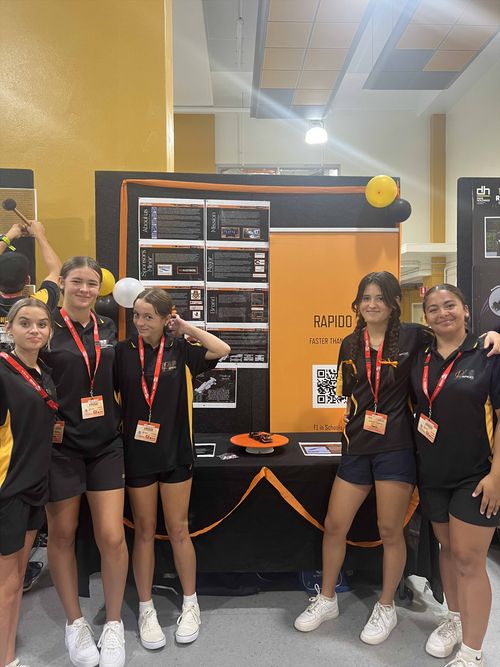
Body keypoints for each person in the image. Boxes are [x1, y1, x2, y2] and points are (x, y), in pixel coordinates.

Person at [293, 271, 500, 645]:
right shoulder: (349, 344)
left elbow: (455, 342)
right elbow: (345, 393)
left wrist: (492, 336)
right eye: (365, 297)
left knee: (390, 530)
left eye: (380, 297)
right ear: (357, 303)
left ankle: (386, 605)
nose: (372, 304)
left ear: (393, 303)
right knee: (335, 524)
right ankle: (327, 598)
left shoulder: (414, 337)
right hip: (356, 447)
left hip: (397, 448)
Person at [114, 288, 230, 650]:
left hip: (176, 452)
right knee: (144, 532)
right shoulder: (122, 352)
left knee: (179, 530)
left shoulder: (180, 349)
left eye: (149, 316)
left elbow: (222, 349)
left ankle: (191, 603)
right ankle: (146, 608)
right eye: (136, 315)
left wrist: (186, 328)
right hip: (137, 456)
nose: (140, 322)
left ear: (167, 318)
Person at [42, 257, 128, 667]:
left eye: (92, 283)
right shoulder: (46, 328)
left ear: (100, 288)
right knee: (62, 534)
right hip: (60, 448)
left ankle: (113, 624)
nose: (84, 290)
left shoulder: (107, 327)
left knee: (111, 536)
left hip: (106, 444)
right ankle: (75, 623)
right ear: (61, 282)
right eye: (76, 281)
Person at [411, 285, 500, 667]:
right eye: (433, 308)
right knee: (447, 551)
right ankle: (454, 619)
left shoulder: (488, 354)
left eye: (450, 305)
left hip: (476, 476)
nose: (442, 313)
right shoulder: (420, 357)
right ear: (425, 317)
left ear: (465, 309)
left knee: (468, 559)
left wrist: (497, 475)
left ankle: (472, 651)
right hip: (433, 474)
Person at [0, 299, 56, 667]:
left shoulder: (43, 372)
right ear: (9, 328)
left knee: (18, 576)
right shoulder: (2, 372)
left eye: (41, 324)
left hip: (36, 485)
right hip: (9, 490)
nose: (34, 330)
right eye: (25, 323)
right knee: (6, 583)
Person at [0, 220, 61, 346]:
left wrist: (9, 236)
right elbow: (57, 272)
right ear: (28, 280)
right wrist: (39, 235)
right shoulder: (38, 304)